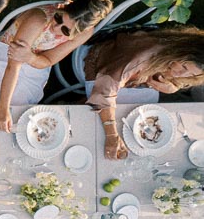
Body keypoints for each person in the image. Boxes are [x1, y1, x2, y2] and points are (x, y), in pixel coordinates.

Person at [86, 26, 204, 159]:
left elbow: (181, 81)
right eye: (184, 66)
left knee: (138, 115)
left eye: (191, 74)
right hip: (103, 68)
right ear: (179, 52)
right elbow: (103, 92)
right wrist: (111, 135)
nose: (181, 74)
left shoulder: (174, 57)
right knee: (104, 120)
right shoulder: (143, 57)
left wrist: (173, 87)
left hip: (135, 79)